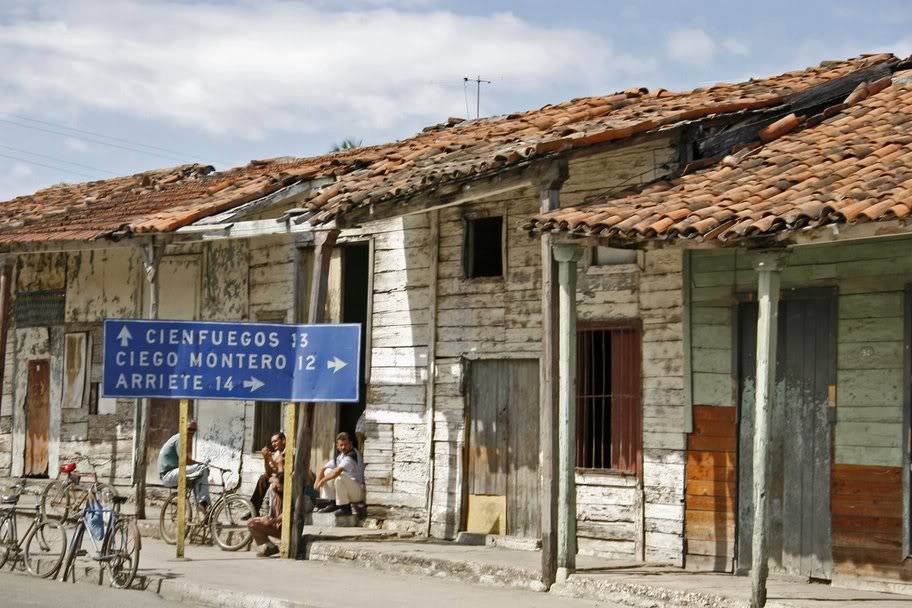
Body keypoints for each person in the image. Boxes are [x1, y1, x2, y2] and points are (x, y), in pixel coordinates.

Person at [158, 420, 210, 513]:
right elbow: (184, 460)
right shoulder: (180, 438)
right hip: (168, 475)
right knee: (202, 468)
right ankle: (203, 504)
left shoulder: (185, 439)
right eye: (189, 429)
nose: (191, 432)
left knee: (201, 472)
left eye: (194, 430)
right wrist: (200, 464)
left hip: (176, 472)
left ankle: (203, 509)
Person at [314, 432, 365, 515]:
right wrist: (316, 483)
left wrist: (321, 481)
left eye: (346, 444)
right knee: (328, 471)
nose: (343, 447)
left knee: (339, 477)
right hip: (349, 490)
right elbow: (323, 468)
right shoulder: (340, 456)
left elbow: (336, 472)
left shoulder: (352, 455)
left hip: (358, 492)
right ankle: (333, 503)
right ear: (337, 446)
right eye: (341, 445)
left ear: (351, 444)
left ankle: (346, 508)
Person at [247, 457, 284, 557]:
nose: (274, 487)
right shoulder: (272, 490)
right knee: (251, 523)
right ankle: (271, 547)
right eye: (274, 484)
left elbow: (288, 513)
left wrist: (274, 520)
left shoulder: (288, 495)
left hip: (285, 529)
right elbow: (266, 503)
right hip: (274, 525)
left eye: (277, 486)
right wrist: (265, 517)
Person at [250, 431, 285, 515]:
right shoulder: (276, 454)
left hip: (288, 479)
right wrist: (266, 458)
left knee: (267, 478)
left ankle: (253, 509)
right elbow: (269, 472)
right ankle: (253, 508)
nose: (273, 444)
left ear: (283, 440)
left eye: (275, 441)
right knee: (264, 477)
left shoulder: (291, 451)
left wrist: (272, 462)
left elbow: (282, 472)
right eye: (272, 442)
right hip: (280, 478)